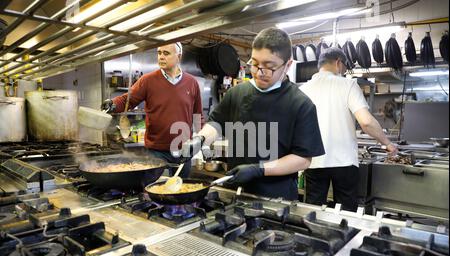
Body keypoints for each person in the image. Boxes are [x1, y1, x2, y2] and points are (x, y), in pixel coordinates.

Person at [181, 27, 325, 200]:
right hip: (235, 192)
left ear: (287, 65)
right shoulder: (236, 93)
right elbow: (217, 123)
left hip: (277, 199)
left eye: (269, 67)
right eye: (255, 64)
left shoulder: (301, 104)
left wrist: (259, 169)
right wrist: (200, 139)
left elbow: (303, 159)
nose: (259, 72)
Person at [300, 47, 398, 211]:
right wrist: (387, 143)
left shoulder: (303, 89)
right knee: (345, 214)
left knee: (313, 211)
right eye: (345, 67)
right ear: (338, 63)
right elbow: (366, 122)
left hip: (313, 161)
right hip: (344, 162)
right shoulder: (348, 85)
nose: (345, 71)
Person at [103, 42, 204, 178]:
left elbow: (198, 115)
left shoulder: (192, 83)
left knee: (181, 189)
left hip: (183, 149)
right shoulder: (147, 80)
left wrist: (202, 141)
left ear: (178, 57)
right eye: (159, 53)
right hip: (155, 150)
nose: (161, 57)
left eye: (166, 53)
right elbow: (128, 100)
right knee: (149, 188)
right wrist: (112, 104)